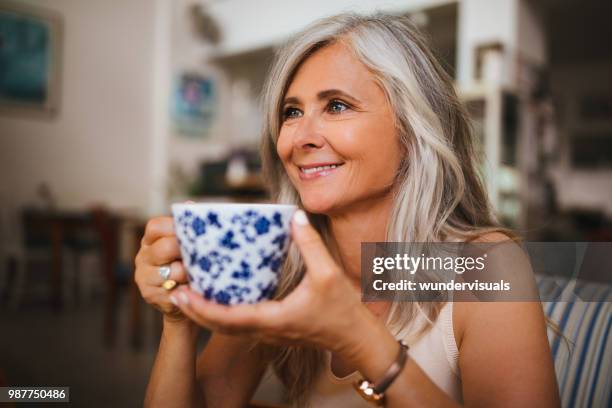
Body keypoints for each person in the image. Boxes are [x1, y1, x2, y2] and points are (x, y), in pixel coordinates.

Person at [135, 13, 560, 408]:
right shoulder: (277, 264)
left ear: (414, 130)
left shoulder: (487, 269)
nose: (299, 137)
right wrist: (180, 320)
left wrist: (359, 339)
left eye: (336, 106)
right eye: (292, 112)